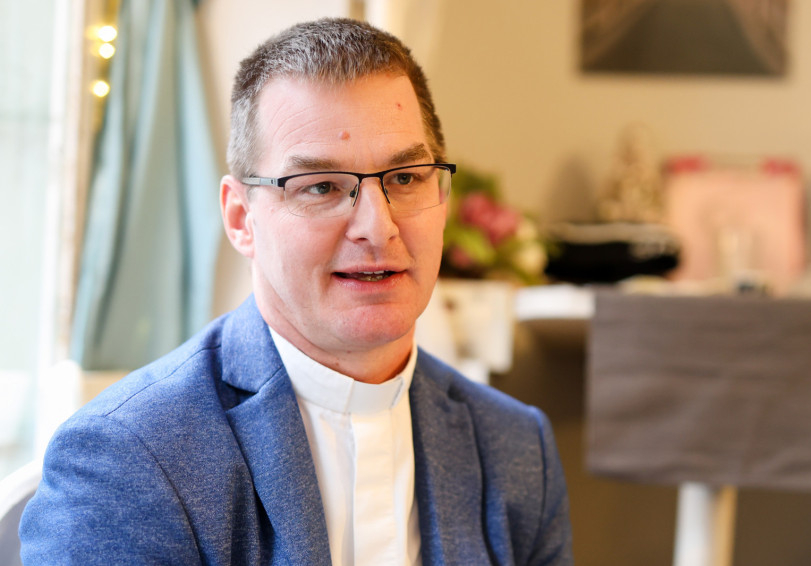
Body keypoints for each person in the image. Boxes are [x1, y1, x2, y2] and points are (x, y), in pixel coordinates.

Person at [20, 18, 573, 565]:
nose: (377, 227)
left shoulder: (516, 448)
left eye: (405, 178)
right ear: (241, 218)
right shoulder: (126, 459)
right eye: (322, 186)